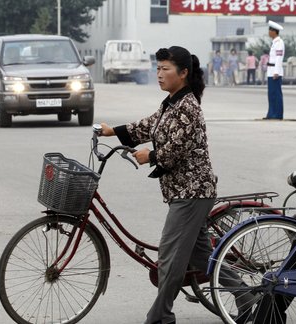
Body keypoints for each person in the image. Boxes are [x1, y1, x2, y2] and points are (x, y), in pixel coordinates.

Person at [97, 46, 254, 324]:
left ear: (182, 73)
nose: (159, 74)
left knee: (170, 259)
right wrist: (115, 132)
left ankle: (160, 317)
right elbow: (149, 126)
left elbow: (174, 150)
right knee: (203, 256)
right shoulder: (171, 102)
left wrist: (150, 156)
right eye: (157, 69)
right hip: (185, 192)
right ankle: (246, 295)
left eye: (165, 69)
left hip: (192, 193)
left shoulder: (188, 107)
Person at [264, 20, 285, 120]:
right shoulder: (274, 43)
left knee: (276, 94)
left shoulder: (279, 43)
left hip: (275, 72)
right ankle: (271, 114)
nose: (268, 32)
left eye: (270, 30)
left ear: (274, 32)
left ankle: (277, 114)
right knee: (271, 94)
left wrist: (276, 71)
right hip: (270, 71)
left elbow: (279, 58)